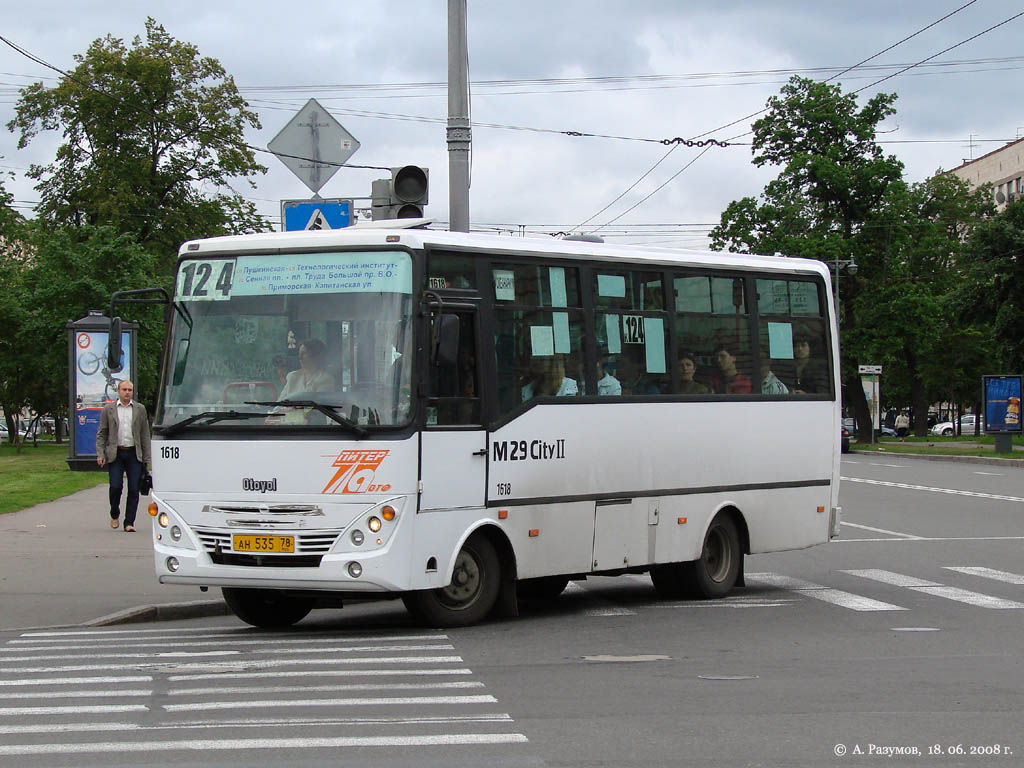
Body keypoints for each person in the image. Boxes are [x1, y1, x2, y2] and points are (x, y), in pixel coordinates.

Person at [96, 380, 151, 532]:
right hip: (116, 453)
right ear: (119, 391)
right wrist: (100, 453)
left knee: (134, 488)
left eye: (130, 390)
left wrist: (146, 457)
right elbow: (102, 433)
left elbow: (145, 434)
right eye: (125, 389)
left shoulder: (140, 409)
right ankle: (115, 513)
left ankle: (129, 522)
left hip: (134, 453)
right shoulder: (109, 409)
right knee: (115, 486)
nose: (127, 392)